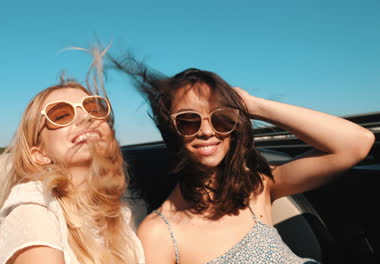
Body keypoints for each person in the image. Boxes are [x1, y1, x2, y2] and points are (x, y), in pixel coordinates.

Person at [114, 63, 374, 264]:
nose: (206, 131)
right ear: (171, 130)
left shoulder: (256, 187)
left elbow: (356, 143)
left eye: (222, 118)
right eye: (189, 120)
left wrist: (251, 105)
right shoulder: (159, 232)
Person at [0, 50, 144, 264]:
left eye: (95, 109)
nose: (85, 117)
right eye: (61, 115)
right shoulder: (34, 206)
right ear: (40, 154)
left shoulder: (120, 214)